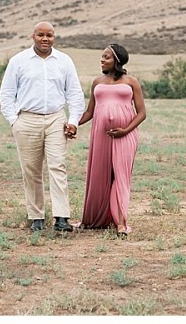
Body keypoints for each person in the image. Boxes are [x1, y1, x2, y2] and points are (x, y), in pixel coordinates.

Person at [0, 22, 85, 233]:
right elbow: (7, 93)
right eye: (41, 35)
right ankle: (36, 216)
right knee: (31, 170)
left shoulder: (64, 61)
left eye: (49, 35)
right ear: (33, 36)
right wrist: (14, 120)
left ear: (54, 37)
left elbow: (74, 93)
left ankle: (61, 217)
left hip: (56, 118)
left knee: (57, 166)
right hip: (27, 120)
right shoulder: (19, 61)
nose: (45, 39)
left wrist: (73, 120)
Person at [76, 44, 146, 236]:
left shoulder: (131, 82)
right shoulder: (97, 82)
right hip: (101, 135)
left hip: (126, 135)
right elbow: (90, 112)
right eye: (102, 57)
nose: (102, 60)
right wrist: (73, 124)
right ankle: (93, 218)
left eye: (106, 57)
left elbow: (142, 113)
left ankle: (121, 222)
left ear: (117, 60)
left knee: (120, 175)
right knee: (100, 175)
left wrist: (125, 130)